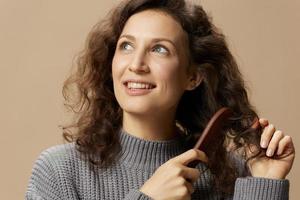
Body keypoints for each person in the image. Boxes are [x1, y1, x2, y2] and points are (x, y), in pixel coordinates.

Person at [26, 0, 295, 199]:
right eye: (127, 46)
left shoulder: (232, 174)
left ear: (193, 76)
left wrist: (265, 182)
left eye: (159, 49)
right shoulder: (59, 172)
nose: (137, 64)